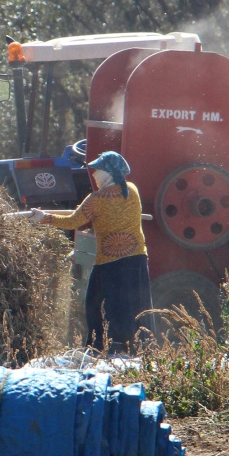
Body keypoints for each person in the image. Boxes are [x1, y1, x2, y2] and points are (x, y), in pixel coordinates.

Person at [32, 150, 151, 351]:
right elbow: (117, 216)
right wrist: (95, 222)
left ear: (109, 173)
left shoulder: (96, 199)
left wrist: (44, 217)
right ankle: (136, 347)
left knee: (97, 304)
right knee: (134, 305)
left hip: (109, 263)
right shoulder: (132, 190)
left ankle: (101, 347)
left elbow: (73, 222)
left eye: (98, 170)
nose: (94, 174)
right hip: (136, 258)